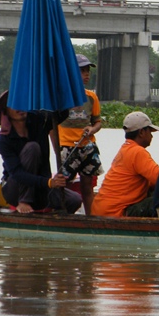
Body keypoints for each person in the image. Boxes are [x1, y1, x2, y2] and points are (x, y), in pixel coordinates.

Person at [0, 90, 82, 214]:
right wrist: (49, 182)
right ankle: (24, 201)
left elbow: (59, 115)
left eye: (22, 102)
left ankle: (51, 224)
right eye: (14, 105)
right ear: (6, 111)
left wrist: (57, 92)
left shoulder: (38, 121)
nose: (20, 107)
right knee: (33, 148)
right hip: (15, 190)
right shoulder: (4, 140)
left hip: (40, 188)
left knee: (74, 200)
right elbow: (17, 174)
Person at [90, 112, 159, 217]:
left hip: (101, 210)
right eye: (150, 132)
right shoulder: (138, 152)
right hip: (116, 213)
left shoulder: (125, 149)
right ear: (142, 132)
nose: (151, 136)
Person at [56, 54, 103, 214]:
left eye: (87, 71)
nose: (86, 75)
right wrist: (57, 148)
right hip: (67, 146)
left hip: (87, 146)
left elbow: (97, 122)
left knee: (87, 186)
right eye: (82, 71)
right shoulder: (61, 97)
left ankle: (91, 217)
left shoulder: (91, 97)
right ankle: (64, 214)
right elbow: (51, 126)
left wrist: (92, 129)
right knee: (64, 184)